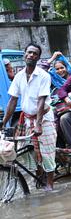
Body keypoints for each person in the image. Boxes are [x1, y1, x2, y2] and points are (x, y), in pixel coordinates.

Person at [2, 43, 57, 191]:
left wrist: (38, 124)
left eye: (35, 54)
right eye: (29, 52)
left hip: (44, 119)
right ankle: (38, 177)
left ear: (38, 57)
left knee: (47, 153)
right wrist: (3, 123)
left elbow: (41, 101)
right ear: (24, 55)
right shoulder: (19, 76)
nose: (31, 55)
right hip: (26, 120)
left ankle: (50, 184)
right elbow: (13, 100)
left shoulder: (44, 76)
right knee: (26, 151)